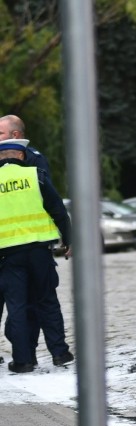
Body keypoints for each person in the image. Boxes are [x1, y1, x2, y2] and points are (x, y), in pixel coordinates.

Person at [0, 138, 74, 373]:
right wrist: (69, 240)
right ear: (21, 156)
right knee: (47, 301)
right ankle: (60, 354)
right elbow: (58, 210)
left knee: (17, 307)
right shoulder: (36, 175)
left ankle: (23, 361)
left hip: (8, 256)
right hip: (39, 252)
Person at [0, 115, 56, 365]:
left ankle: (26, 354)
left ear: (14, 136)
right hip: (12, 246)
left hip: (21, 246)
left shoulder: (32, 159)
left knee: (25, 305)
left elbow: (48, 201)